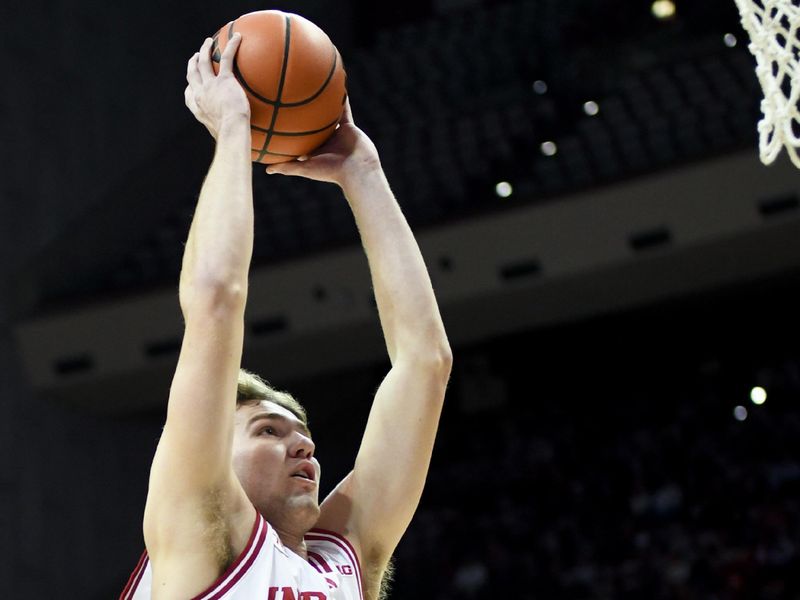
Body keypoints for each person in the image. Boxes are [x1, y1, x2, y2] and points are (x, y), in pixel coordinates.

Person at [120, 32, 452, 600]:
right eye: (268, 431)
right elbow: (215, 297)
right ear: (208, 453)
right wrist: (232, 132)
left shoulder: (343, 561)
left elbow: (426, 363)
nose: (304, 447)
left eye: (300, 434)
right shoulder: (200, 532)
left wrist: (362, 172)